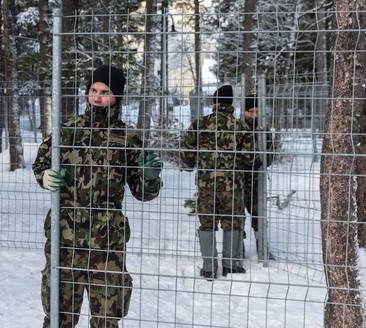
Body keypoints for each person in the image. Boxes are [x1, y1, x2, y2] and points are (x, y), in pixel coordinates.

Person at [32, 64, 163, 327]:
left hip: (108, 242)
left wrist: (150, 178)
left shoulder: (128, 138)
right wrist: (44, 176)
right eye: (93, 89)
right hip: (65, 237)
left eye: (104, 91)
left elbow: (142, 193)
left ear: (117, 97)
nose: (97, 96)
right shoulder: (65, 131)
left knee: (107, 317)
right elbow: (40, 164)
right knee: (59, 315)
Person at [181, 85, 256, 279]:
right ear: (231, 103)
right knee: (232, 223)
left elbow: (187, 153)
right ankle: (231, 266)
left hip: (206, 186)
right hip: (233, 187)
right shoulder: (240, 127)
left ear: (214, 102)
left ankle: (209, 268)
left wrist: (192, 163)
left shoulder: (200, 124)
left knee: (207, 223)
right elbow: (249, 158)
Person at [243, 94, 275, 260]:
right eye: (251, 111)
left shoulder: (264, 128)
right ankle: (236, 249)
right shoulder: (238, 128)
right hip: (239, 181)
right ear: (245, 111)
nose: (254, 115)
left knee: (259, 215)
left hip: (257, 181)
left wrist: (263, 159)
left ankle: (263, 249)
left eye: (257, 111)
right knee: (237, 217)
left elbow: (270, 153)